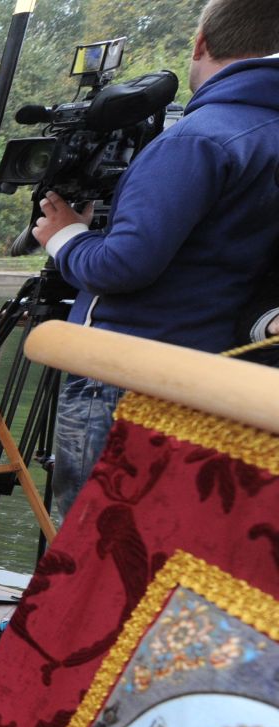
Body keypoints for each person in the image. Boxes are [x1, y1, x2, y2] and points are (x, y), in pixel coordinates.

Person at [32, 0, 279, 520]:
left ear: (201, 43)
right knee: (165, 542)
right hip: (220, 377)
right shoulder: (264, 135)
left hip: (126, 373)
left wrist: (65, 237)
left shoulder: (197, 139)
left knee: (91, 539)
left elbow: (123, 266)